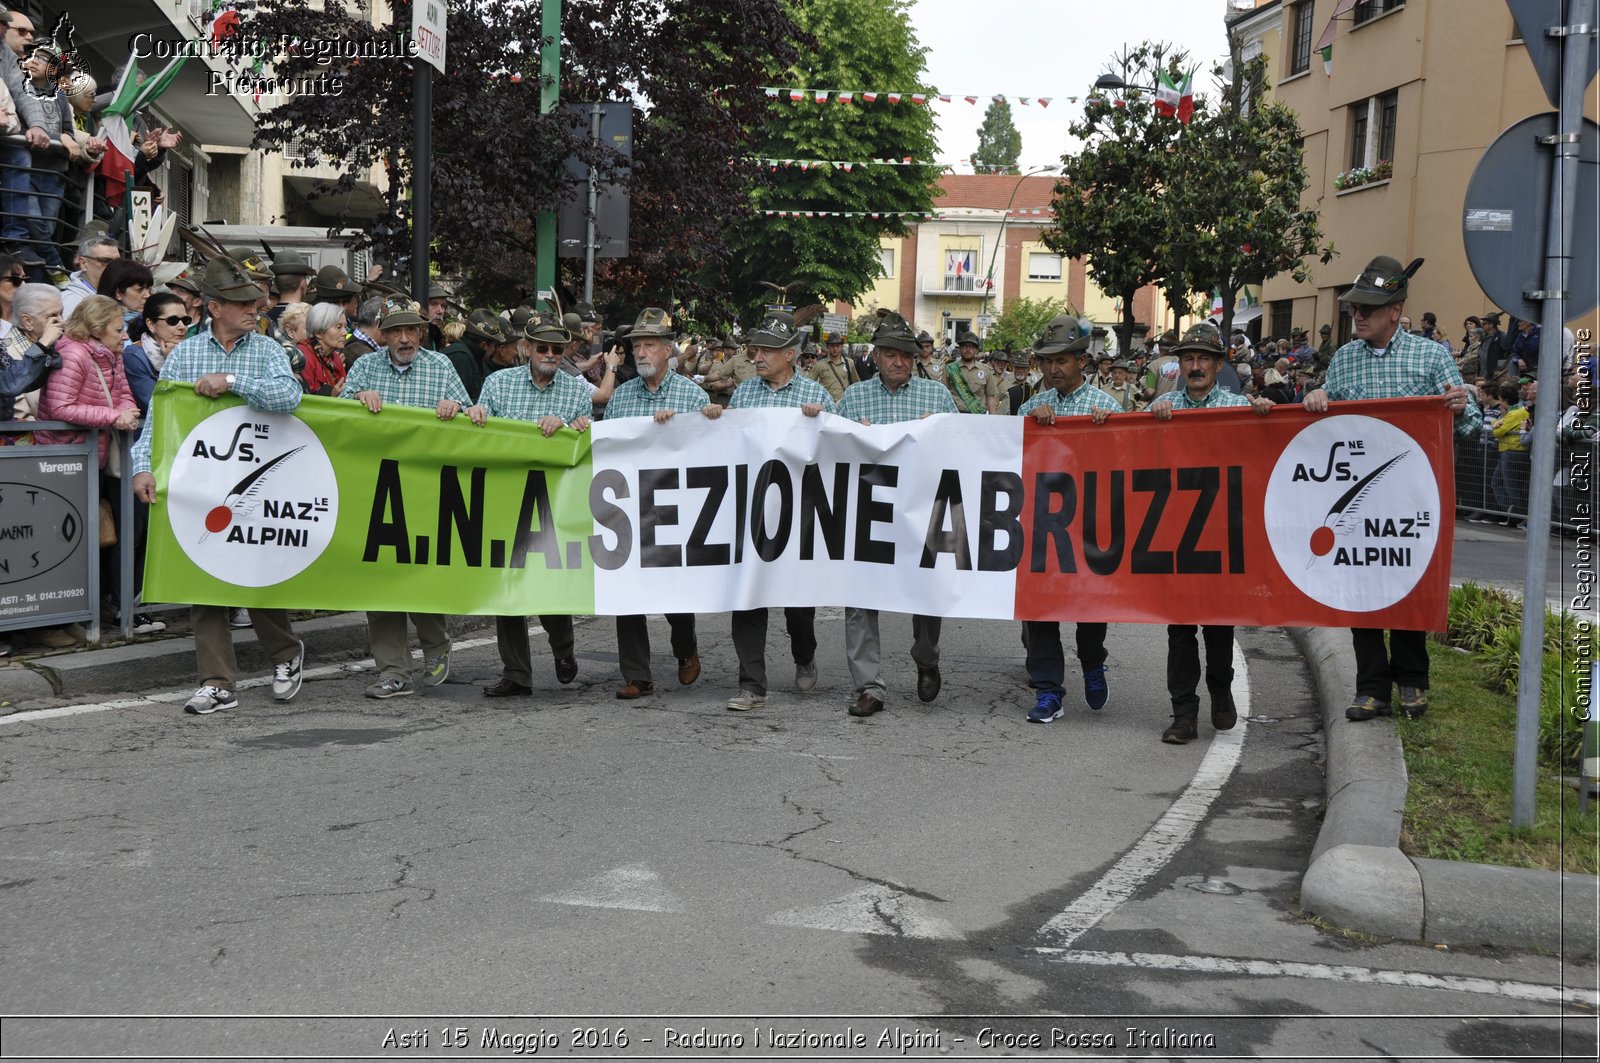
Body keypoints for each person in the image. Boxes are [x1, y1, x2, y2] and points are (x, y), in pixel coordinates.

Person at [1304, 254, 1481, 723]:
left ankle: (1413, 681)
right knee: (1360, 589)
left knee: (1407, 581)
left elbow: (1469, 424)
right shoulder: (1343, 360)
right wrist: (1317, 397)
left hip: (1412, 497)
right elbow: (1325, 419)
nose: (1357, 315)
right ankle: (1371, 688)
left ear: (1395, 311)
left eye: (1367, 307)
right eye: (1354, 307)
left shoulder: (1432, 356)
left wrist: (1462, 407)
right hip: (1357, 502)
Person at [130, 257, 309, 716]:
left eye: (256, 301)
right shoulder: (186, 354)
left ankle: (286, 654)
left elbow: (289, 398)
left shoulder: (267, 350)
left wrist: (231, 381)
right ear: (214, 307)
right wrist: (141, 467)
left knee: (256, 572)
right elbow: (159, 418)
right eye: (242, 302)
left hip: (258, 480)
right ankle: (217, 682)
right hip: (202, 479)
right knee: (202, 575)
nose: (255, 308)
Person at [701, 311, 835, 712]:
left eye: (767, 350)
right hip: (753, 511)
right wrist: (714, 420)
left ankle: (804, 653)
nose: (757, 356)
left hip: (798, 515)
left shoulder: (817, 395)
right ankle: (751, 684)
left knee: (798, 606)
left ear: (791, 355)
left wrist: (823, 421)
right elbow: (732, 445)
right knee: (749, 597)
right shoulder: (743, 394)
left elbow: (840, 456)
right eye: (756, 349)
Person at [1147, 322, 1272, 743]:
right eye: (1188, 359)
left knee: (1219, 627)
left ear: (1219, 365)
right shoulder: (1163, 405)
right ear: (1178, 364)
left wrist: (1265, 416)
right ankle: (1183, 714)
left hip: (1222, 535)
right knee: (1179, 630)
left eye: (1203, 359)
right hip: (1174, 534)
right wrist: (1153, 419)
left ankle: (1221, 692)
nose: (1195, 366)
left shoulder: (1239, 407)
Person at [338, 297, 470, 696]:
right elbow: (336, 418)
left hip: (425, 489)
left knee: (420, 574)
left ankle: (436, 646)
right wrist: (357, 400)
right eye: (396, 330)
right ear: (382, 335)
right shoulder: (364, 367)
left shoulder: (441, 366)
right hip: (376, 488)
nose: (404, 337)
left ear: (420, 333)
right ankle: (393, 670)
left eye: (411, 329)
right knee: (380, 582)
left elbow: (470, 414)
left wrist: (456, 407)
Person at [834, 311, 957, 717]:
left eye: (904, 354)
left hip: (922, 513)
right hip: (867, 512)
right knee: (859, 599)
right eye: (889, 354)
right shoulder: (853, 398)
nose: (898, 362)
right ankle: (868, 686)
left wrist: (938, 432)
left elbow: (962, 454)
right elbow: (833, 455)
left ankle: (926, 657)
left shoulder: (937, 397)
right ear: (876, 355)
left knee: (927, 595)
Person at [466, 314, 592, 698]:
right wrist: (476, 415)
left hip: (553, 502)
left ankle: (563, 648)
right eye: (543, 347)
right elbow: (480, 430)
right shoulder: (497, 384)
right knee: (507, 589)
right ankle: (516, 673)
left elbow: (587, 441)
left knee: (547, 585)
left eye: (557, 348)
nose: (550, 354)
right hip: (505, 499)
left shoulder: (575, 391)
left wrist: (576, 426)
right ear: (527, 348)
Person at [1015, 315, 1122, 723]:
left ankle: (1093, 663)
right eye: (1047, 362)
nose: (1053, 369)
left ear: (1082, 361)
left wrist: (1106, 433)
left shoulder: (1106, 407)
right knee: (1038, 607)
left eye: (1061, 360)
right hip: (1041, 525)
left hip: (1088, 525)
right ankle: (1048, 691)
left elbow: (1125, 462)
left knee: (1089, 608)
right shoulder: (1028, 407)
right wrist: (1029, 426)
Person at [599, 308, 706, 699]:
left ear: (666, 350)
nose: (641, 352)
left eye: (648, 345)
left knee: (672, 588)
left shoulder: (692, 394)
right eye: (636, 346)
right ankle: (636, 673)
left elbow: (710, 452)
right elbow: (607, 447)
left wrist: (681, 426)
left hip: (673, 507)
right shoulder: (622, 396)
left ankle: (685, 648)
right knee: (627, 588)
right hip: (628, 506)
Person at [123, 291, 188, 413]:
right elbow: (156, 404)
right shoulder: (134, 356)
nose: (182, 326)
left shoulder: (190, 350)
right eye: (172, 320)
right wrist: (172, 361)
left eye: (185, 320)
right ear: (151, 324)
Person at [59, 235, 120, 317]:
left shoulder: (123, 295)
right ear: (83, 263)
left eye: (118, 261)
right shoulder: (71, 302)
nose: (115, 266)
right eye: (105, 261)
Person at [944, 329, 1003, 414]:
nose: (967, 349)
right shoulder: (949, 368)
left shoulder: (986, 370)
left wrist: (992, 420)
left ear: (976, 350)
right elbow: (942, 395)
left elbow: (991, 397)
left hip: (978, 416)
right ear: (960, 348)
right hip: (955, 415)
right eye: (964, 346)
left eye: (971, 346)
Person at [300, 301, 348, 396]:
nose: (345, 333)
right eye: (339, 327)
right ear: (318, 333)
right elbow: (305, 398)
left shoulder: (335, 357)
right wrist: (331, 394)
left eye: (346, 327)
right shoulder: (303, 356)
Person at [806, 331, 859, 402]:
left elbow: (857, 385)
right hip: (826, 406)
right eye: (832, 346)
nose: (835, 348)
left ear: (841, 346)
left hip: (844, 405)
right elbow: (807, 384)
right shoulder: (819, 365)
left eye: (837, 345)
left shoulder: (849, 363)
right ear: (828, 346)